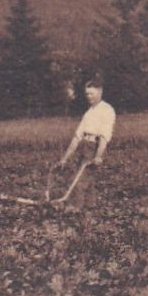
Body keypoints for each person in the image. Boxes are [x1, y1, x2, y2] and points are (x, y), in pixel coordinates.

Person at [57, 80, 115, 210]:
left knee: (79, 180)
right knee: (86, 178)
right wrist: (65, 158)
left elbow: (104, 137)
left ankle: (75, 208)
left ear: (100, 92)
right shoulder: (89, 112)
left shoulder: (107, 110)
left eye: (92, 94)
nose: (89, 97)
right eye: (87, 94)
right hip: (85, 146)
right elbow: (77, 137)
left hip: (95, 147)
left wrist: (98, 156)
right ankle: (91, 208)